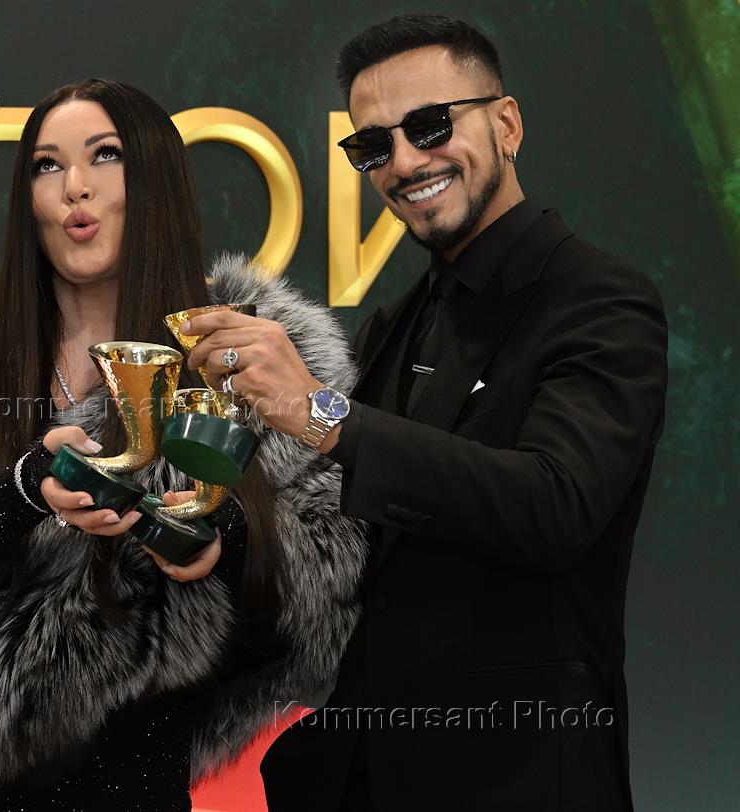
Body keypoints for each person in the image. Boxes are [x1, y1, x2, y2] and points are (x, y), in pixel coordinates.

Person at [0, 78, 366, 810]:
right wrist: (28, 486)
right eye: (47, 165)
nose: (74, 188)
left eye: (105, 156)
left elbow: (300, 616)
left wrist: (213, 544)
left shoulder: (235, 352)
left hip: (135, 778)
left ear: (156, 181)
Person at [180, 14, 668, 812]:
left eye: (431, 125)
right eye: (374, 145)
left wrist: (325, 414)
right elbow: (364, 551)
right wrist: (213, 540)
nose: (405, 162)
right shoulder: (396, 321)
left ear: (506, 124)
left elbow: (553, 507)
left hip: (520, 776)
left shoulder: (599, 301)